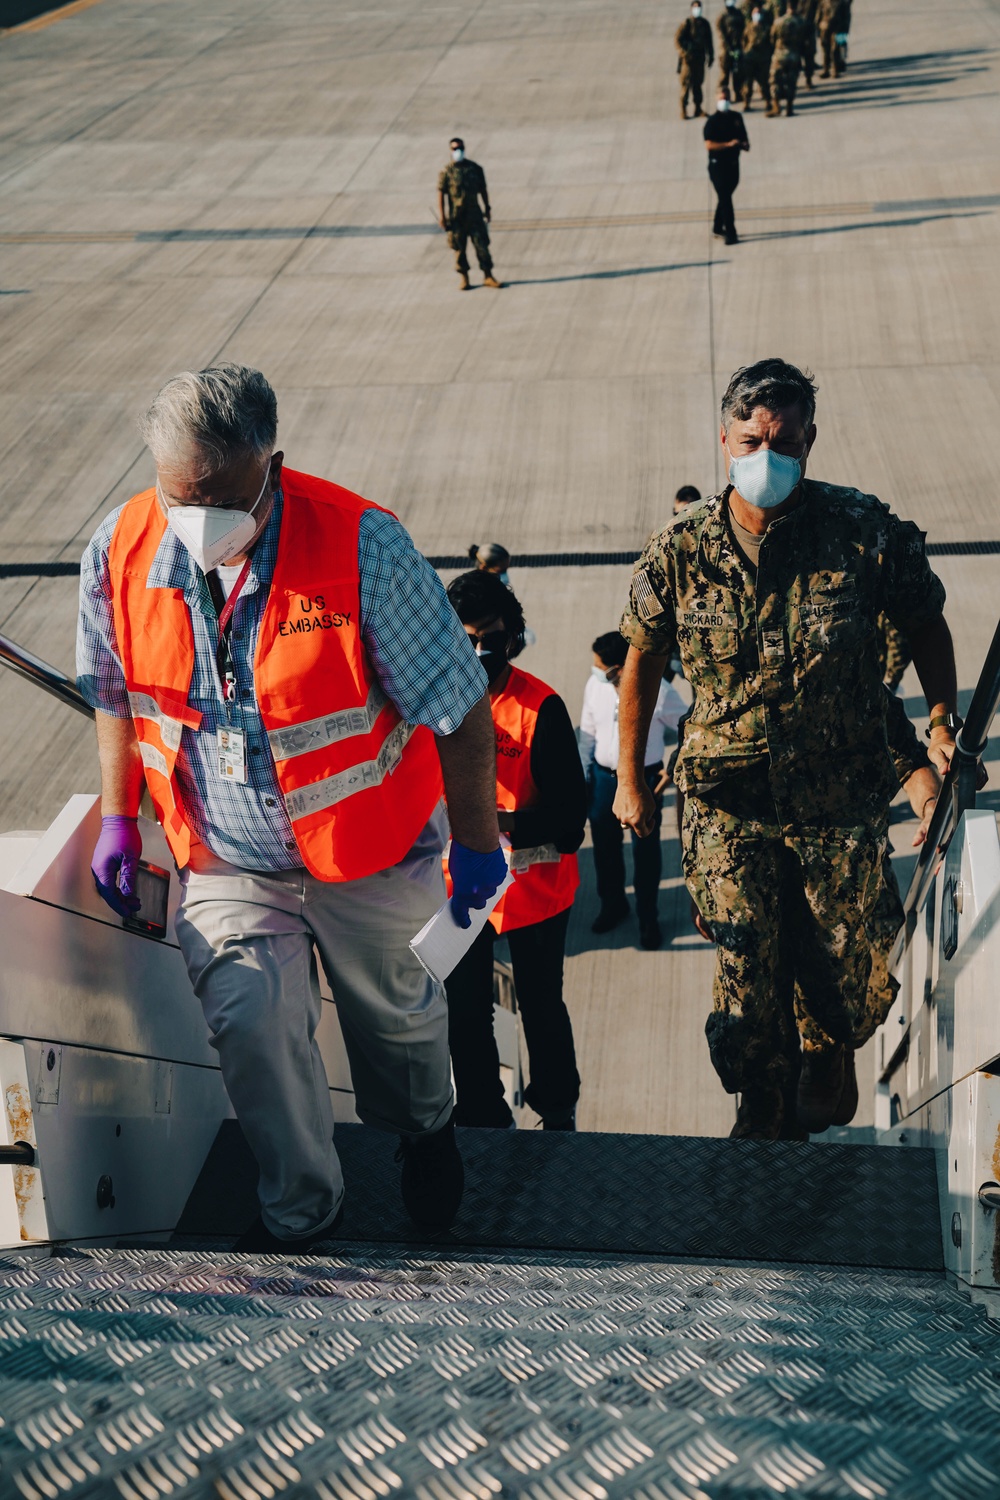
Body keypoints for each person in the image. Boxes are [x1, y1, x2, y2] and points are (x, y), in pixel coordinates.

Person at [77, 364, 508, 1252]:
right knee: (253, 1026)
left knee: (399, 1029)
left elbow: (459, 705)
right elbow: (114, 695)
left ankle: (425, 1131)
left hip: (369, 851)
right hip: (232, 856)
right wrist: (121, 819)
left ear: (274, 464)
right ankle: (302, 1214)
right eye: (179, 495)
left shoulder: (362, 546)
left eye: (225, 497)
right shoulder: (117, 550)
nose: (200, 518)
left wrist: (475, 842)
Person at [614, 357, 960, 1141]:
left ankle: (826, 1046)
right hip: (725, 794)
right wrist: (630, 777)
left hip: (834, 793)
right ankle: (758, 1099)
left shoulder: (862, 531)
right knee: (745, 954)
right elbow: (640, 660)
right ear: (724, 439)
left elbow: (926, 621)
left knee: (840, 955)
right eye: (749, 439)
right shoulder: (681, 549)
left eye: (783, 440)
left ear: (809, 438)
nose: (765, 456)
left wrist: (939, 724)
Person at [444, 571, 587, 1130]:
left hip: (534, 892)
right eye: (467, 638)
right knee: (467, 1008)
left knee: (540, 1004)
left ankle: (557, 1108)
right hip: (461, 887)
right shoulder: (431, 705)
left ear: (514, 636)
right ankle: (480, 1110)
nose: (481, 652)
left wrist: (499, 825)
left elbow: (571, 821)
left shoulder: (539, 708)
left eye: (493, 638)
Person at [581, 631, 686, 950]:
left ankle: (647, 917)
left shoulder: (661, 693)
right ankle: (613, 905)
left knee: (646, 853)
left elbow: (687, 727)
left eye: (602, 667)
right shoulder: (594, 687)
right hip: (603, 779)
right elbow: (587, 733)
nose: (596, 673)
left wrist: (673, 766)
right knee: (605, 850)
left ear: (621, 667)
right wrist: (586, 778)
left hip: (645, 781)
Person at [437, 138, 502, 292]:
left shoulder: (475, 169)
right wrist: (442, 217)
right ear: (450, 151)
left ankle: (488, 276)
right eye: (454, 148)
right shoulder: (446, 171)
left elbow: (483, 189)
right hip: (457, 218)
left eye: (460, 148)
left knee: (482, 247)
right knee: (459, 250)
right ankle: (464, 278)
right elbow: (441, 194)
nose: (457, 151)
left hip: (474, 216)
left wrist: (487, 208)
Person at [704, 90, 750, 245]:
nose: (725, 101)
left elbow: (745, 141)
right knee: (726, 198)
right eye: (722, 98)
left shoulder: (736, 118)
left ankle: (717, 227)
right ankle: (730, 232)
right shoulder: (713, 121)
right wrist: (728, 144)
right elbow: (709, 145)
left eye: (727, 98)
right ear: (717, 100)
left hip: (733, 165)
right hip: (718, 166)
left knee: (725, 197)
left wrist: (742, 144)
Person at [676, 2, 715, 120]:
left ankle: (698, 108)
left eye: (699, 7)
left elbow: (709, 42)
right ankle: (684, 110)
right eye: (695, 7)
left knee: (698, 84)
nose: (697, 10)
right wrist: (684, 53)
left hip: (700, 59)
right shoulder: (687, 24)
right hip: (688, 61)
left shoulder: (704, 24)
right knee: (686, 85)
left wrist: (711, 56)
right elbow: (678, 40)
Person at [768, 0, 807, 116]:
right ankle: (789, 108)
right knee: (791, 82)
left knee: (775, 81)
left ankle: (776, 106)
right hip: (794, 56)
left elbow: (772, 38)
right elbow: (804, 40)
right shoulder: (801, 22)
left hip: (779, 56)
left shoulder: (778, 22)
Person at [740, 5, 774, 110]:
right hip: (750, 60)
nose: (757, 15)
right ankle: (746, 102)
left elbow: (771, 43)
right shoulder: (748, 28)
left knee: (764, 82)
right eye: (755, 13)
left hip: (763, 60)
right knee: (748, 82)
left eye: (759, 13)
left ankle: (768, 101)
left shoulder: (767, 28)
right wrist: (746, 53)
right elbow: (743, 41)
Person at [716, 0, 745, 99]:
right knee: (725, 73)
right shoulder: (722, 16)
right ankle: (723, 94)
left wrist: (739, 44)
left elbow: (743, 29)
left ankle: (738, 92)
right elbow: (720, 33)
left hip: (738, 47)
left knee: (738, 71)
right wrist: (728, 47)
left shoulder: (739, 14)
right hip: (726, 49)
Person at [818, 0, 850, 76]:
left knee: (836, 48)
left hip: (838, 28)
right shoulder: (823, 2)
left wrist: (845, 29)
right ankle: (826, 69)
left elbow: (845, 16)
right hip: (825, 27)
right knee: (825, 49)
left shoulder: (842, 3)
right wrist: (818, 25)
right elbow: (819, 14)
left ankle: (835, 69)